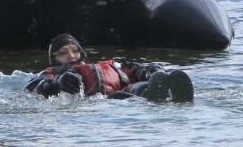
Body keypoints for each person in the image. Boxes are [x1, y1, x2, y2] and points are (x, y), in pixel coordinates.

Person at [26, 33, 194, 103]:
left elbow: (133, 70)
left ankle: (167, 91)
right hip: (102, 101)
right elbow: (36, 85)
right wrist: (56, 84)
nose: (71, 56)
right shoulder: (53, 73)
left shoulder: (109, 65)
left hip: (128, 90)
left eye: (75, 51)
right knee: (122, 95)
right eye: (63, 53)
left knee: (141, 86)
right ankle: (159, 98)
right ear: (54, 58)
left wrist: (149, 70)